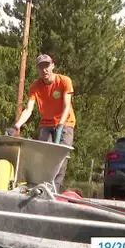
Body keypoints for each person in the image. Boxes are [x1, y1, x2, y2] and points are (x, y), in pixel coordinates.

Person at [7, 54, 75, 192]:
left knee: (61, 157)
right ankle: (42, 188)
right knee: (43, 156)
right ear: (38, 69)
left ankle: (54, 191)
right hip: (47, 124)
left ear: (52, 66)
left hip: (65, 122)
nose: (44, 70)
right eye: (41, 67)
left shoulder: (64, 81)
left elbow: (66, 106)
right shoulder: (35, 86)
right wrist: (16, 126)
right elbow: (29, 109)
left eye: (46, 66)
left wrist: (61, 125)